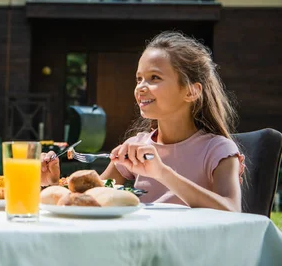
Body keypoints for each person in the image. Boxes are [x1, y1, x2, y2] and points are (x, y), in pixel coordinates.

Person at [41, 31, 244, 211]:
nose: (141, 87)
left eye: (154, 77)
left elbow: (231, 209)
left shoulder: (218, 150)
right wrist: (52, 183)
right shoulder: (137, 147)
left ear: (191, 91)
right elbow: (90, 200)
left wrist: (162, 172)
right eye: (139, 79)